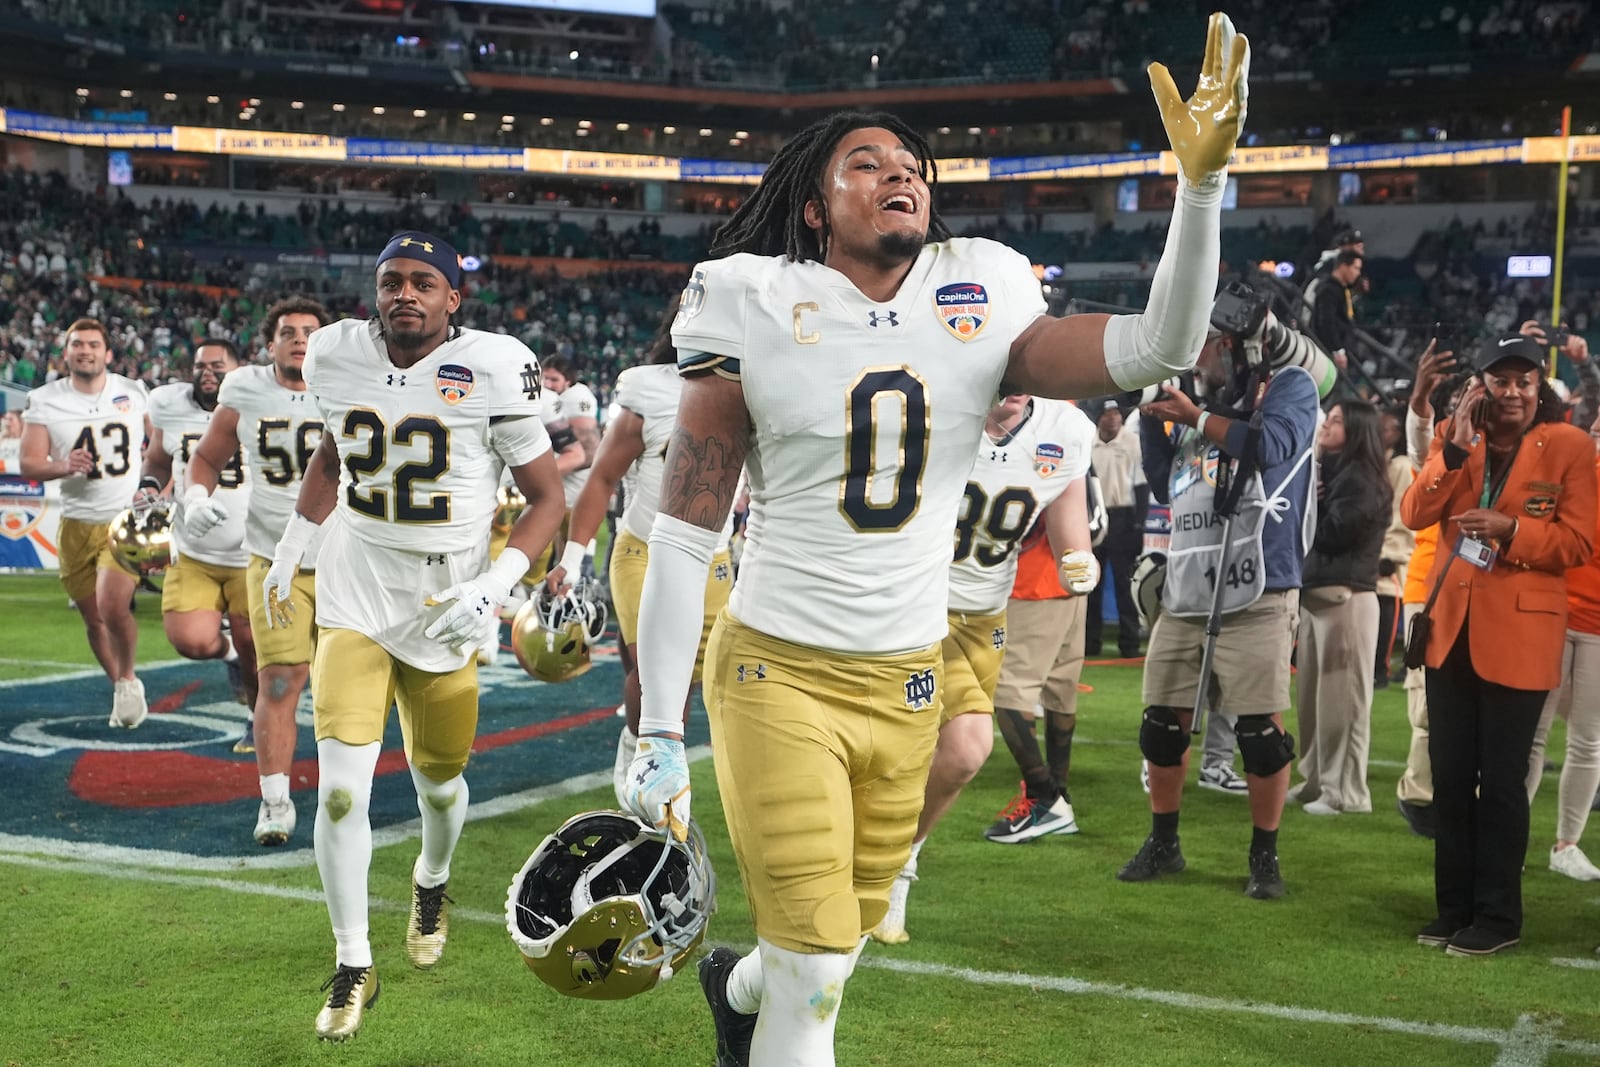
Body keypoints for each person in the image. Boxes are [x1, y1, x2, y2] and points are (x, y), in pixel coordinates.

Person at [622, 15, 1249, 1065]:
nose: (898, 174)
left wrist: (1199, 189)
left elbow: (1156, 347)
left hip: (909, 674)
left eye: (912, 165)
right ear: (818, 207)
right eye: (865, 163)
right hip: (780, 669)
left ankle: (736, 990)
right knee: (818, 977)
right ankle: (763, 1002)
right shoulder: (750, 295)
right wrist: (652, 727)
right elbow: (686, 531)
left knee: (835, 943)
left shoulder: (984, 286)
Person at [266, 233, 565, 1039]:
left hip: (446, 600)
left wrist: (495, 587)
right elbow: (337, 449)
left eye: (423, 282)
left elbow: (547, 498)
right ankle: (353, 959)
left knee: (438, 781)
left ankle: (432, 875)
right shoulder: (334, 352)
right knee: (337, 789)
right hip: (356, 586)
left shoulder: (496, 366)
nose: (405, 293)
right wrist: (293, 547)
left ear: (452, 298)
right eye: (392, 280)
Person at [874, 392, 1097, 941]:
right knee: (961, 746)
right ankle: (890, 869)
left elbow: (1073, 539)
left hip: (984, 620)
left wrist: (1079, 564)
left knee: (954, 755)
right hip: (914, 605)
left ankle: (893, 861)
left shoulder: (1063, 428)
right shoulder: (937, 403)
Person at [1401, 332, 1596, 956]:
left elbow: (1581, 543)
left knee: (1504, 783)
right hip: (1450, 631)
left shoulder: (1569, 445)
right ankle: (1453, 908)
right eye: (1501, 380)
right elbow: (1414, 511)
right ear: (1481, 385)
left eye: (1524, 381)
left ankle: (1499, 917)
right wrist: (1451, 452)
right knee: (1451, 778)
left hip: (1523, 633)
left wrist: (1512, 529)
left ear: (1540, 389)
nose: (1512, 392)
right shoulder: (1461, 440)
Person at [1121, 320, 1319, 899]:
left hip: (1260, 588)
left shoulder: (1288, 387)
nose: (1193, 355)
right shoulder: (1190, 400)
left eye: (1202, 342)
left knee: (1260, 734)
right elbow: (1164, 485)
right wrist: (1152, 419)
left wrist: (1194, 418)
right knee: (1161, 727)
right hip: (1186, 588)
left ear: (1233, 345)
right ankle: (1165, 842)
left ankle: (1265, 854)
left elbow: (1269, 446)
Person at [544, 313, 735, 799]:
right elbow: (603, 477)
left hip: (715, 558)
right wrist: (572, 555)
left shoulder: (762, 383)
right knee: (653, 675)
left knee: (703, 681)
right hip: (645, 550)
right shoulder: (650, 389)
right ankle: (638, 758)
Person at [187, 296, 333, 846]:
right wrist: (195, 497)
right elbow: (206, 457)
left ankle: (349, 794)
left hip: (349, 559)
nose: (299, 340)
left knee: (348, 689)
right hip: (276, 559)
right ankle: (274, 801)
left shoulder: (348, 382)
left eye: (310, 332)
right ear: (269, 344)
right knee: (277, 679)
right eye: (288, 332)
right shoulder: (245, 389)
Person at [18, 318, 149, 727]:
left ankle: (127, 676)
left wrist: (153, 484)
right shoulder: (44, 400)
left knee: (113, 608)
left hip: (124, 519)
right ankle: (121, 686)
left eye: (93, 344)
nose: (85, 350)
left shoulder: (133, 392)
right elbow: (29, 464)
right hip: (76, 522)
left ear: (107, 353)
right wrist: (63, 465)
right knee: (93, 619)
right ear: (66, 353)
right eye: (77, 344)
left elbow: (157, 443)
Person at [142, 340, 257, 726]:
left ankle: (262, 727)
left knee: (260, 652)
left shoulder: (263, 400)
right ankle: (231, 656)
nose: (207, 372)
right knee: (189, 640)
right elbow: (158, 461)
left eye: (217, 366)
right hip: (194, 551)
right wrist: (147, 488)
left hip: (253, 551)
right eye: (200, 365)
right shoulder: (170, 406)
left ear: (239, 370)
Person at [1292, 399, 1391, 815]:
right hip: (1321, 595)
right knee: (1314, 701)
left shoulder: (1362, 477)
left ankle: (1346, 792)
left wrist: (1309, 504)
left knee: (1344, 701)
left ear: (1356, 429)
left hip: (1347, 597)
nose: (1325, 426)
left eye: (1335, 421)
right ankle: (1315, 781)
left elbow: (1334, 534)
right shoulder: (1335, 473)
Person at [1525, 406, 1600, 881]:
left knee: (1588, 740)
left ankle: (1566, 844)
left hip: (1596, 623)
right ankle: (1506, 835)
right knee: (1530, 734)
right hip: (1551, 611)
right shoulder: (1571, 470)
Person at [1086, 398, 1147, 659]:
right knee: (1091, 584)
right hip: (1097, 516)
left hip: (1125, 517)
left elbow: (1142, 485)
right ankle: (1090, 643)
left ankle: (1129, 643)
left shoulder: (1133, 442)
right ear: (1098, 417)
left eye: (1116, 413)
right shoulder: (1088, 443)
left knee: (1125, 585)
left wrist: (1140, 523)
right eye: (1107, 413)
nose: (1113, 418)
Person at [1375, 404, 1414, 689]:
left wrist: (1390, 551)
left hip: (1393, 549)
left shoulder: (1400, 465)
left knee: (1390, 599)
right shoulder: (1384, 460)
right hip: (1379, 544)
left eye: (1384, 428)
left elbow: (1400, 512)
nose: (1379, 432)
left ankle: (1382, 668)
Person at [1308, 250, 1362, 371]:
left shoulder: (1341, 289)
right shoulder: (1329, 290)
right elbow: (1327, 322)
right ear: (1343, 267)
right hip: (1328, 354)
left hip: (1340, 349)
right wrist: (1338, 350)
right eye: (1355, 268)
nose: (1357, 273)